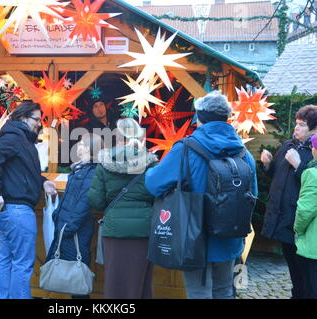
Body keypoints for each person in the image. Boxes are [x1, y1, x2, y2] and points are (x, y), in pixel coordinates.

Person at [145, 91, 258, 299]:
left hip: (193, 236)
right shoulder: (244, 153)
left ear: (200, 118)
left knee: (198, 292)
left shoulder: (185, 149)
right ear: (226, 118)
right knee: (224, 290)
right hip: (230, 237)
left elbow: (153, 184)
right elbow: (253, 196)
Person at [0, 101, 57, 299]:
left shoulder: (21, 138)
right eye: (36, 119)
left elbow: (23, 170)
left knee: (7, 258)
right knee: (22, 264)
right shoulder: (15, 138)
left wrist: (43, 182)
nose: (39, 124)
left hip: (10, 209)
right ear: (23, 118)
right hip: (16, 209)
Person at [88, 118, 158, 299]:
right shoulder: (150, 162)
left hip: (114, 230)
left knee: (114, 281)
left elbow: (96, 200)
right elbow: (157, 193)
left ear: (117, 137)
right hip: (143, 230)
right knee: (141, 281)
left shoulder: (104, 161)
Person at [260, 104, 317, 299]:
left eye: (301, 125)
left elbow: (313, 182)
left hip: (300, 221)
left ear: (313, 128)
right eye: (296, 123)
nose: (296, 128)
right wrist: (267, 164)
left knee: (304, 268)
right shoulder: (288, 145)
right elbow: (274, 175)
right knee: (292, 264)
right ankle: (297, 293)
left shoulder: (314, 151)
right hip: (282, 217)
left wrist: (299, 165)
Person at [45, 133, 103, 298]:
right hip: (66, 225)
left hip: (74, 228)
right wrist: (58, 216)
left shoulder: (92, 171)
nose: (78, 146)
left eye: (81, 143)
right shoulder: (81, 168)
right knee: (71, 272)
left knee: (77, 273)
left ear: (89, 148)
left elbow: (85, 201)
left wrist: (69, 226)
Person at [294, 132, 317, 299]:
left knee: (311, 289)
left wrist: (297, 230)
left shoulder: (312, 174)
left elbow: (305, 210)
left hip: (313, 246)